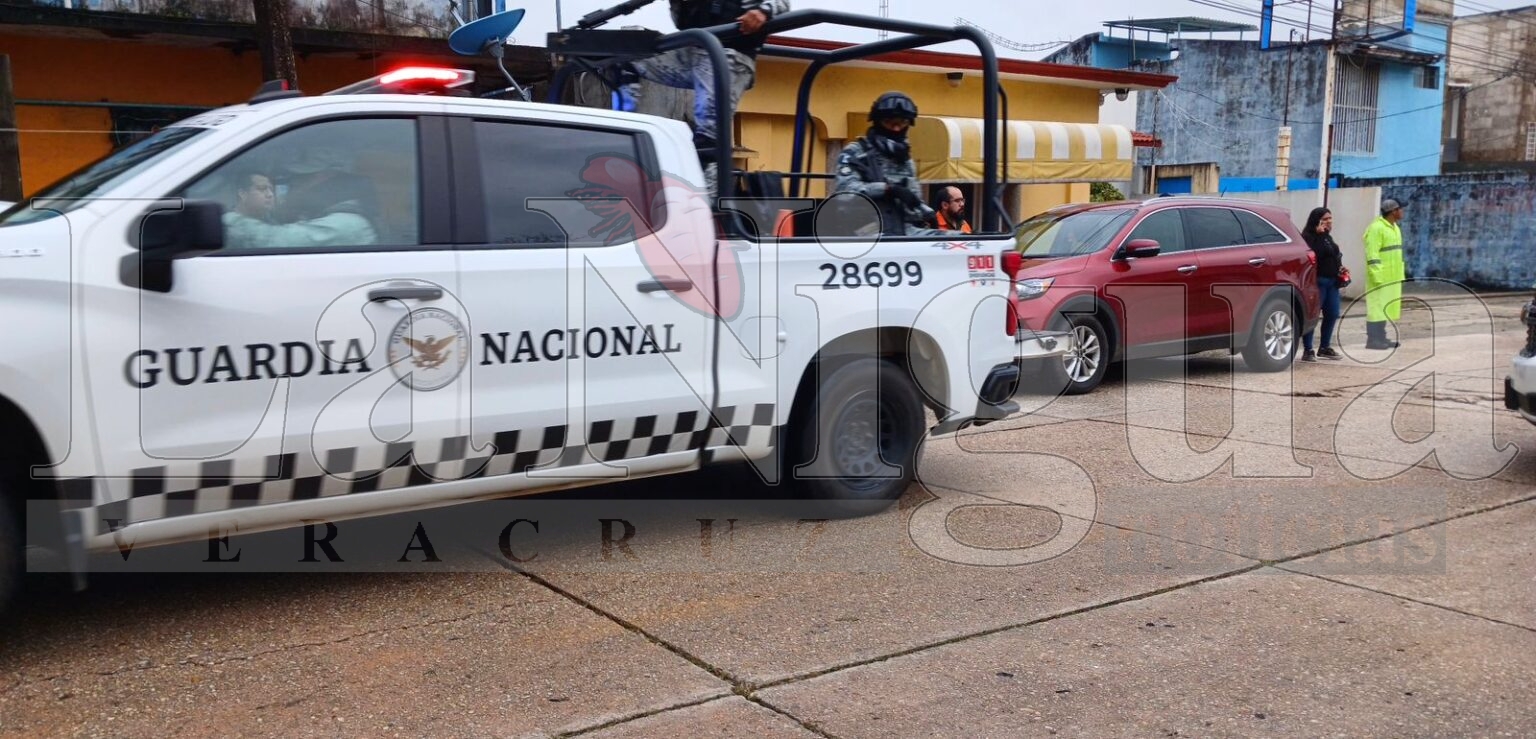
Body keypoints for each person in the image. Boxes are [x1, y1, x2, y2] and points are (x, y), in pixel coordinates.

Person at [618, 0, 790, 192]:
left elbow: (782, 2)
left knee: (708, 137)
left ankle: (707, 203)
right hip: (693, 50)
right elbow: (683, 22)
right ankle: (625, 124)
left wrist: (761, 12)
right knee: (625, 54)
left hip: (727, 55)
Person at [832, 92, 938, 237]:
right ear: (877, 122)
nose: (896, 129)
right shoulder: (856, 152)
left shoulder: (905, 160)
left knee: (960, 240)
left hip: (903, 230)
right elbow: (845, 195)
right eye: (890, 122)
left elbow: (912, 202)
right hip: (864, 231)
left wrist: (925, 213)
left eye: (902, 123)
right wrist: (887, 189)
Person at [1362, 198, 1407, 350]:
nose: (1402, 211)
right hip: (1380, 277)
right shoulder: (1376, 228)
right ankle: (1373, 340)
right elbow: (1372, 254)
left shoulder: (1394, 227)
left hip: (1392, 276)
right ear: (1393, 211)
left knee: (1386, 308)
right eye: (1400, 209)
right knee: (1376, 308)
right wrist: (1377, 275)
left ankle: (1382, 337)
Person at [1299, 206, 1343, 362]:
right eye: (1325, 219)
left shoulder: (1327, 237)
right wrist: (1318, 235)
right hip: (1317, 281)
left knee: (1332, 313)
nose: (1329, 222)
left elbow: (1334, 254)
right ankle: (1308, 349)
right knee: (1313, 315)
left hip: (1332, 282)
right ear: (1316, 220)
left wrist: (1340, 268)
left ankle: (1324, 347)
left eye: (1330, 218)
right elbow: (1312, 255)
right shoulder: (1308, 237)